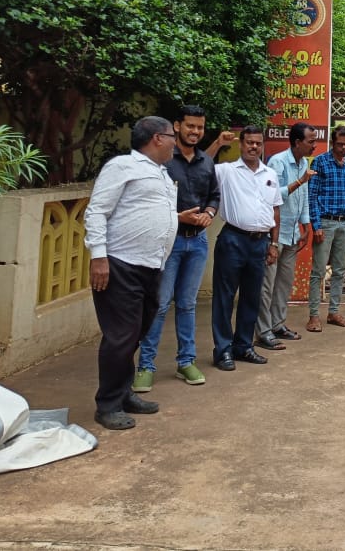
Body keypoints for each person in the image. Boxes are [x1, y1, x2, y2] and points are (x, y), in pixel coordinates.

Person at [84, 116, 178, 430]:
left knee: (136, 333)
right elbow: (97, 211)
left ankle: (123, 393)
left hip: (152, 266)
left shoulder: (162, 173)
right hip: (121, 264)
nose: (175, 142)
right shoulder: (122, 166)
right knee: (120, 337)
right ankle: (108, 405)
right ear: (157, 138)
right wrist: (99, 257)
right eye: (172, 136)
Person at [134, 107, 229, 393]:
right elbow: (149, 202)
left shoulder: (206, 162)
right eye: (190, 126)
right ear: (177, 126)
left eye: (200, 127)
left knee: (188, 304)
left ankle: (186, 361)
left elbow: (214, 195)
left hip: (197, 242)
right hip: (169, 242)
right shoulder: (163, 160)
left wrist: (209, 213)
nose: (195, 132)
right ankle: (145, 366)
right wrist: (178, 218)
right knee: (160, 305)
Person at [211, 126, 282, 370]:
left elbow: (275, 210)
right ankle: (223, 350)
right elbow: (201, 166)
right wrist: (218, 144)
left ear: (262, 146)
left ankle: (243, 346)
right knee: (224, 298)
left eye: (258, 143)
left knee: (251, 297)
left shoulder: (270, 174)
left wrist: (273, 243)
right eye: (249, 142)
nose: (254, 146)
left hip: (260, 242)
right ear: (241, 144)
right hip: (233, 239)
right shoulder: (227, 171)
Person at [257, 122, 317, 350]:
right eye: (311, 141)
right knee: (267, 286)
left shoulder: (304, 163)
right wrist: (300, 181)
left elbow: (303, 196)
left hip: (293, 233)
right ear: (297, 142)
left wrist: (306, 224)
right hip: (276, 234)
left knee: (283, 283)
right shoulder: (278, 162)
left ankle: (278, 325)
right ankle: (263, 332)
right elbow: (272, 195)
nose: (314, 145)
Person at [306, 125, 345, 332]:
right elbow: (312, 196)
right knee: (318, 271)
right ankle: (313, 315)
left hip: (344, 222)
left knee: (339, 270)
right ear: (332, 143)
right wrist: (316, 225)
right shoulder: (320, 162)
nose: (344, 148)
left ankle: (334, 312)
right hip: (325, 223)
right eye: (340, 144)